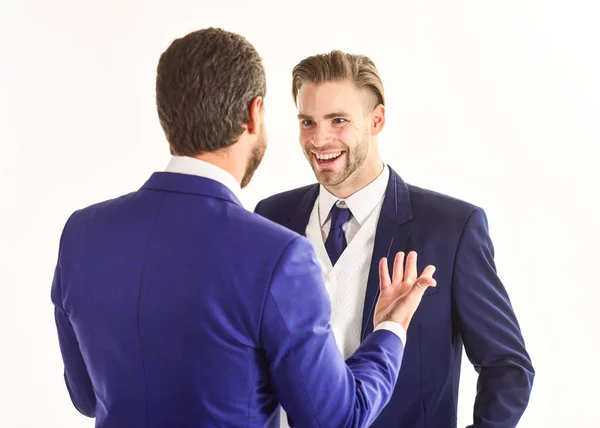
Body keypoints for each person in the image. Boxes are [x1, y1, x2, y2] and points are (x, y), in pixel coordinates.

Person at [50, 28, 437, 427]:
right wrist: (390, 330)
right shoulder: (279, 255)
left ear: (166, 114)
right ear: (255, 114)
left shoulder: (82, 234)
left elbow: (85, 394)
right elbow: (335, 419)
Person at [254, 50, 535, 428]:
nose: (319, 140)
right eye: (308, 121)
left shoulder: (451, 228)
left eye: (338, 120)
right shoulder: (271, 218)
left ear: (376, 119)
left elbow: (508, 367)